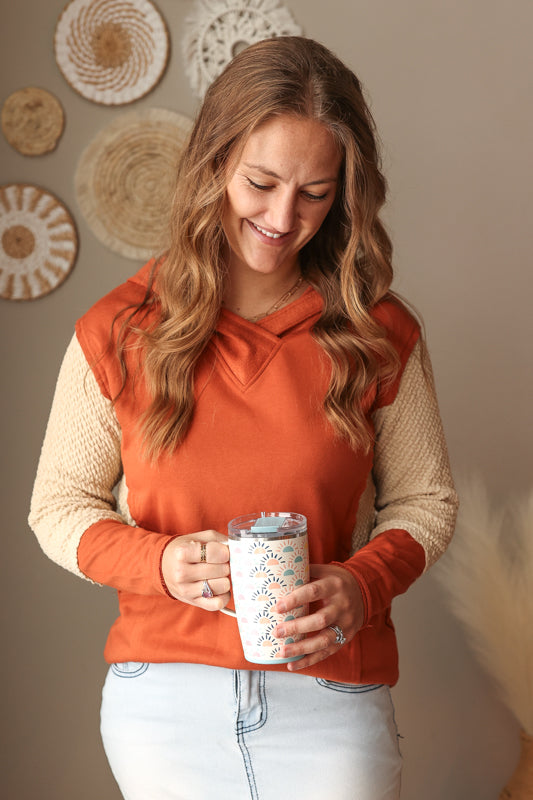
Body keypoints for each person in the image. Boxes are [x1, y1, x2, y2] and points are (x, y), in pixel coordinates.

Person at [29, 36, 458, 800]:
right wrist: (159, 564)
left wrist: (361, 584)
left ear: (343, 195)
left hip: (331, 697)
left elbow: (426, 503)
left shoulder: (379, 333)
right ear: (214, 162)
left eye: (315, 193)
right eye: (261, 182)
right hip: (163, 705)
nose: (282, 217)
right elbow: (57, 507)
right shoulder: (117, 330)